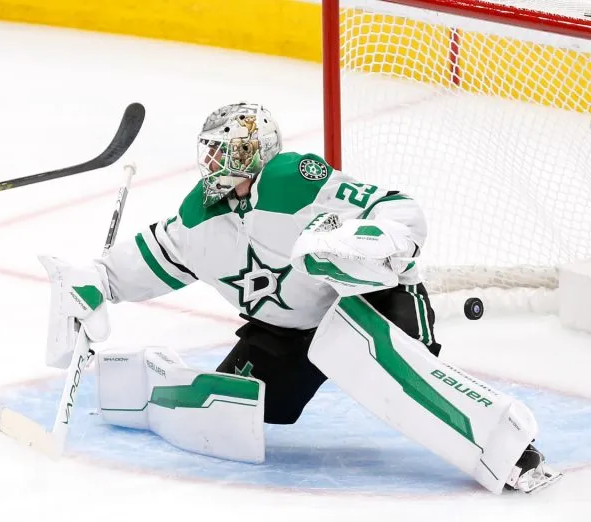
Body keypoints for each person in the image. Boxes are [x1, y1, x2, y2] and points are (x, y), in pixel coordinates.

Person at [39, 102, 560, 494]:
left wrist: (373, 242)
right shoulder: (199, 216)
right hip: (285, 331)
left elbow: (400, 210)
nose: (220, 162)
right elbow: (148, 258)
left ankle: (510, 448)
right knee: (231, 413)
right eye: (214, 150)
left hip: (372, 304)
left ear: (260, 153)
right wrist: (95, 281)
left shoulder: (295, 181)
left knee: (376, 364)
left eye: (234, 151)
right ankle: (143, 387)